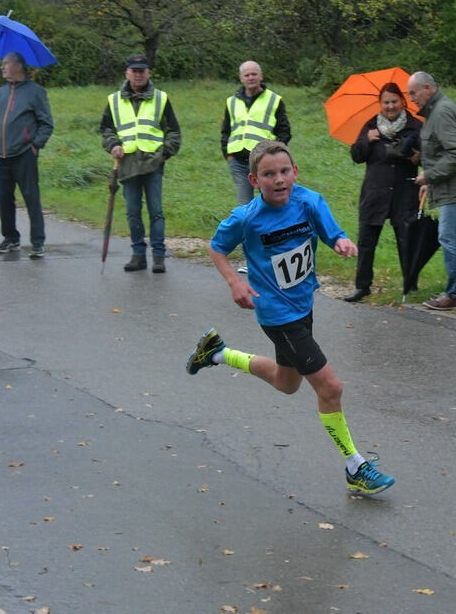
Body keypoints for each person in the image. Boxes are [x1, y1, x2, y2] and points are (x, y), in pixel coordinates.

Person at [184, 141, 395, 496]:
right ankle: (355, 466)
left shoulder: (309, 202)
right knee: (330, 387)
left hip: (302, 305)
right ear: (254, 179)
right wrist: (235, 282)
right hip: (276, 314)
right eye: (269, 174)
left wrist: (341, 242)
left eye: (284, 172)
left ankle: (216, 352)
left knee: (287, 383)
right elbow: (216, 248)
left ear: (295, 172)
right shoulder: (247, 218)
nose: (278, 180)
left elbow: (332, 232)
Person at [100, 54, 181, 273]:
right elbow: (107, 129)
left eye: (142, 70)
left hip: (153, 162)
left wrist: (165, 153)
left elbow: (173, 131)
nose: (138, 74)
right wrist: (113, 144)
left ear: (148, 73)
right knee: (132, 211)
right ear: (127, 73)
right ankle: (138, 255)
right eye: (134, 71)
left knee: (156, 211)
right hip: (127, 163)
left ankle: (158, 256)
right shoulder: (114, 100)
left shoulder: (161, 98)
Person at [408, 71, 456, 310]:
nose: (412, 99)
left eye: (413, 93)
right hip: (450, 184)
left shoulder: (441, 112)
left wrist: (430, 175)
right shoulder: (436, 112)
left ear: (427, 88)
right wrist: (430, 181)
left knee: (450, 238)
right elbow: (442, 151)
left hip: (454, 186)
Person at [345, 82, 422, 302]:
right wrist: (366, 141)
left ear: (403, 102)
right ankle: (362, 286)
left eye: (394, 101)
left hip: (405, 191)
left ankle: (410, 285)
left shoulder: (415, 126)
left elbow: (428, 156)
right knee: (366, 241)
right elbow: (356, 156)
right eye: (386, 102)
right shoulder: (370, 126)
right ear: (380, 104)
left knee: (407, 240)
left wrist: (414, 155)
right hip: (375, 191)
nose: (390, 106)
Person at [0, 52, 53, 258]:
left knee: (31, 198)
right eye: (1, 64)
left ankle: (38, 242)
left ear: (19, 66)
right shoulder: (0, 93)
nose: (2, 67)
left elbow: (46, 123)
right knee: (3, 198)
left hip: (24, 154)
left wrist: (36, 145)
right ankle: (11, 238)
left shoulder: (35, 92)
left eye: (6, 63)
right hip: (0, 156)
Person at [221, 61, 292, 206]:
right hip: (239, 162)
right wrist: (227, 154)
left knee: (271, 202)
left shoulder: (274, 100)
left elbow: (284, 131)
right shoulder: (231, 102)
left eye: (254, 74)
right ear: (241, 78)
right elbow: (226, 130)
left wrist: (274, 153)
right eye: (247, 75)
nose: (250, 77)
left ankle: (272, 229)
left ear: (261, 76)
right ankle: (250, 229)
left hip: (265, 162)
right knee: (244, 206)